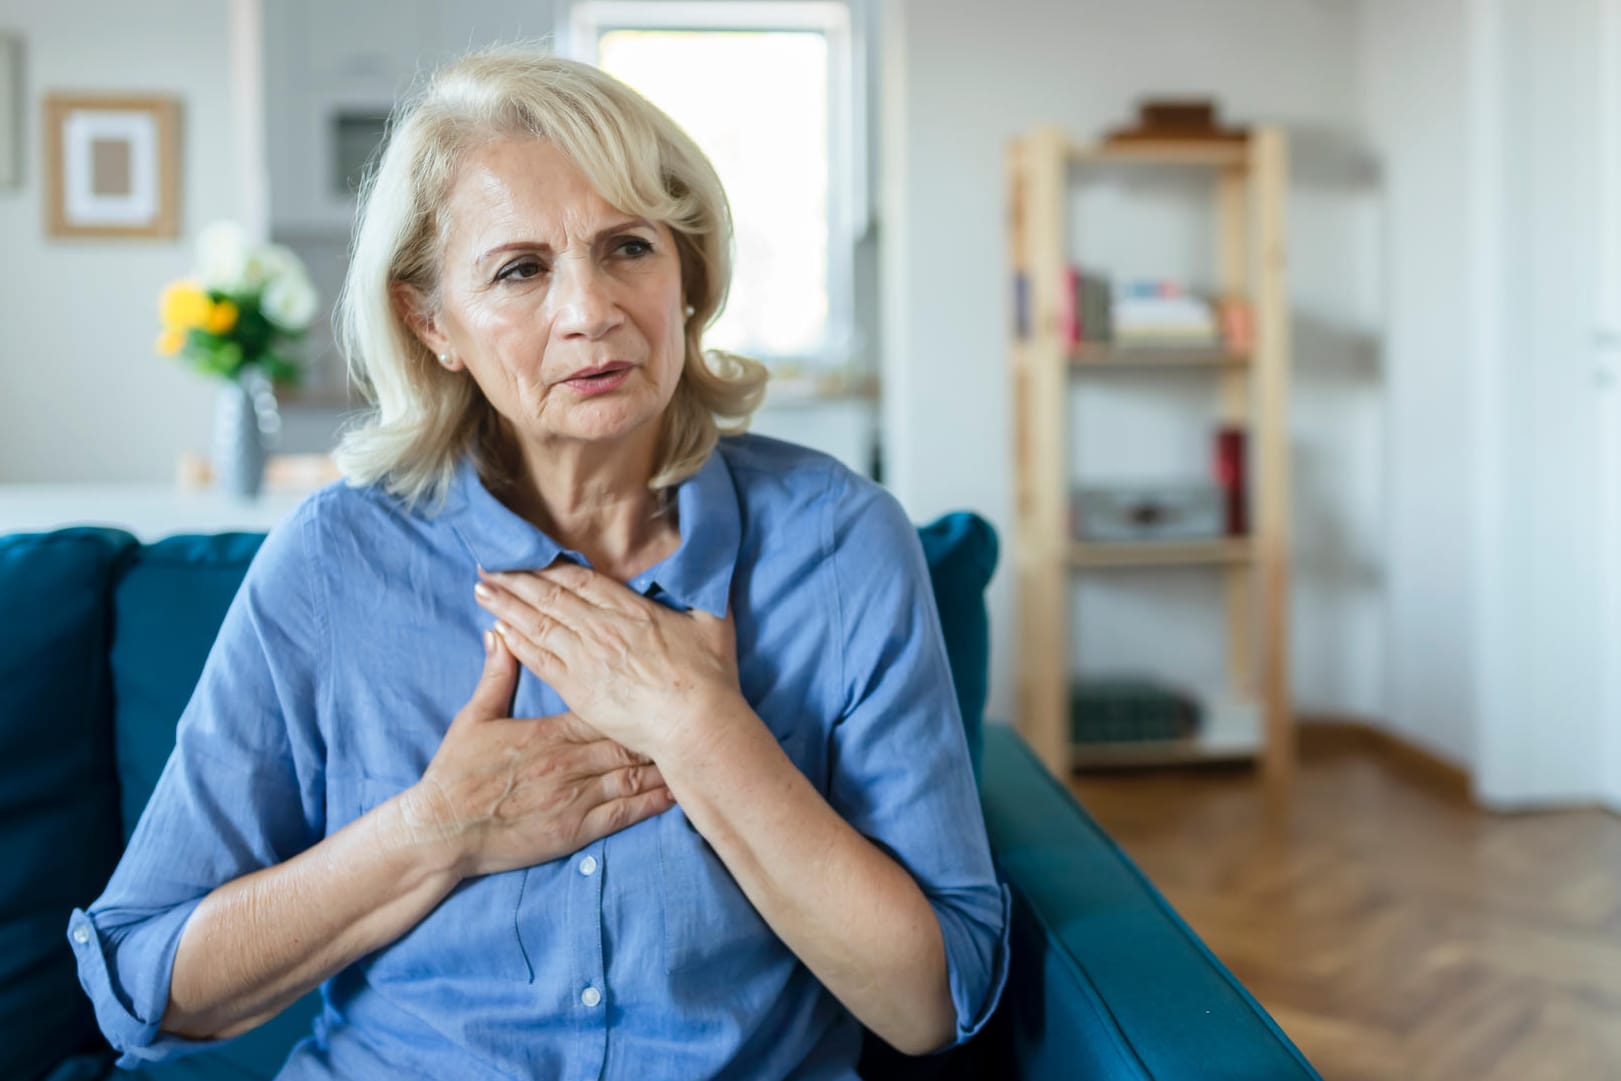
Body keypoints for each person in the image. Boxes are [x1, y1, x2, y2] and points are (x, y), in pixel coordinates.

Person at [68, 42, 1008, 1080]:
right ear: (432, 323)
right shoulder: (335, 558)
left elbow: (930, 1000)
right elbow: (146, 983)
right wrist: (435, 830)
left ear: (687, 271)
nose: (590, 310)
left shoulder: (839, 541)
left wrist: (702, 728)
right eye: (520, 269)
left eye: (628, 248)